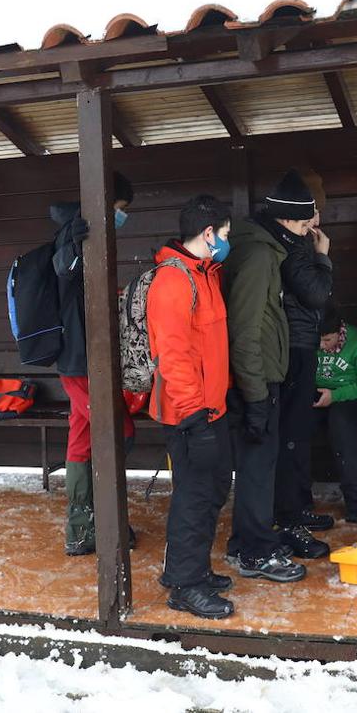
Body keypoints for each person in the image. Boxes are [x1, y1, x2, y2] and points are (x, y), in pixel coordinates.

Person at [147, 195, 236, 618]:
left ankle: (190, 568)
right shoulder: (174, 281)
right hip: (190, 414)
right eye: (224, 234)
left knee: (212, 491)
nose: (226, 241)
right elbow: (175, 357)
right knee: (194, 498)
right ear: (207, 233)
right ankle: (185, 585)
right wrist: (195, 418)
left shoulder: (206, 274)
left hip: (212, 409)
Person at [220, 172, 312, 583]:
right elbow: (247, 330)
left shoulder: (261, 249)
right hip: (255, 382)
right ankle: (254, 551)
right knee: (258, 466)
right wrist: (256, 395)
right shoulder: (259, 257)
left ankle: (248, 541)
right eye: (304, 222)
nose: (308, 230)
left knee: (260, 463)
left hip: (256, 379)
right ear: (286, 221)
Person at [49, 171, 137, 556]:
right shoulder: (75, 233)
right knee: (117, 430)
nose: (122, 217)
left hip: (82, 361)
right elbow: (62, 269)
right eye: (120, 210)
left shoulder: (92, 234)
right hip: (82, 363)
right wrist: (72, 243)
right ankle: (103, 525)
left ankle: (82, 530)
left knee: (83, 440)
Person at [273, 169, 334, 556]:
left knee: (298, 434)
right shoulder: (294, 248)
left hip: (302, 344)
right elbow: (315, 293)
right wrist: (323, 257)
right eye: (311, 214)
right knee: (290, 437)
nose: (316, 222)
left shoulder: (296, 244)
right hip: (292, 349)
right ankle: (289, 519)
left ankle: (298, 507)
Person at [314, 309, 357, 522]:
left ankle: (353, 500)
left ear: (338, 332)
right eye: (319, 340)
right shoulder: (309, 340)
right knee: (296, 426)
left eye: (327, 340)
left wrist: (335, 396)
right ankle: (298, 496)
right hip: (317, 395)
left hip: (348, 398)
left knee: (341, 426)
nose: (322, 346)